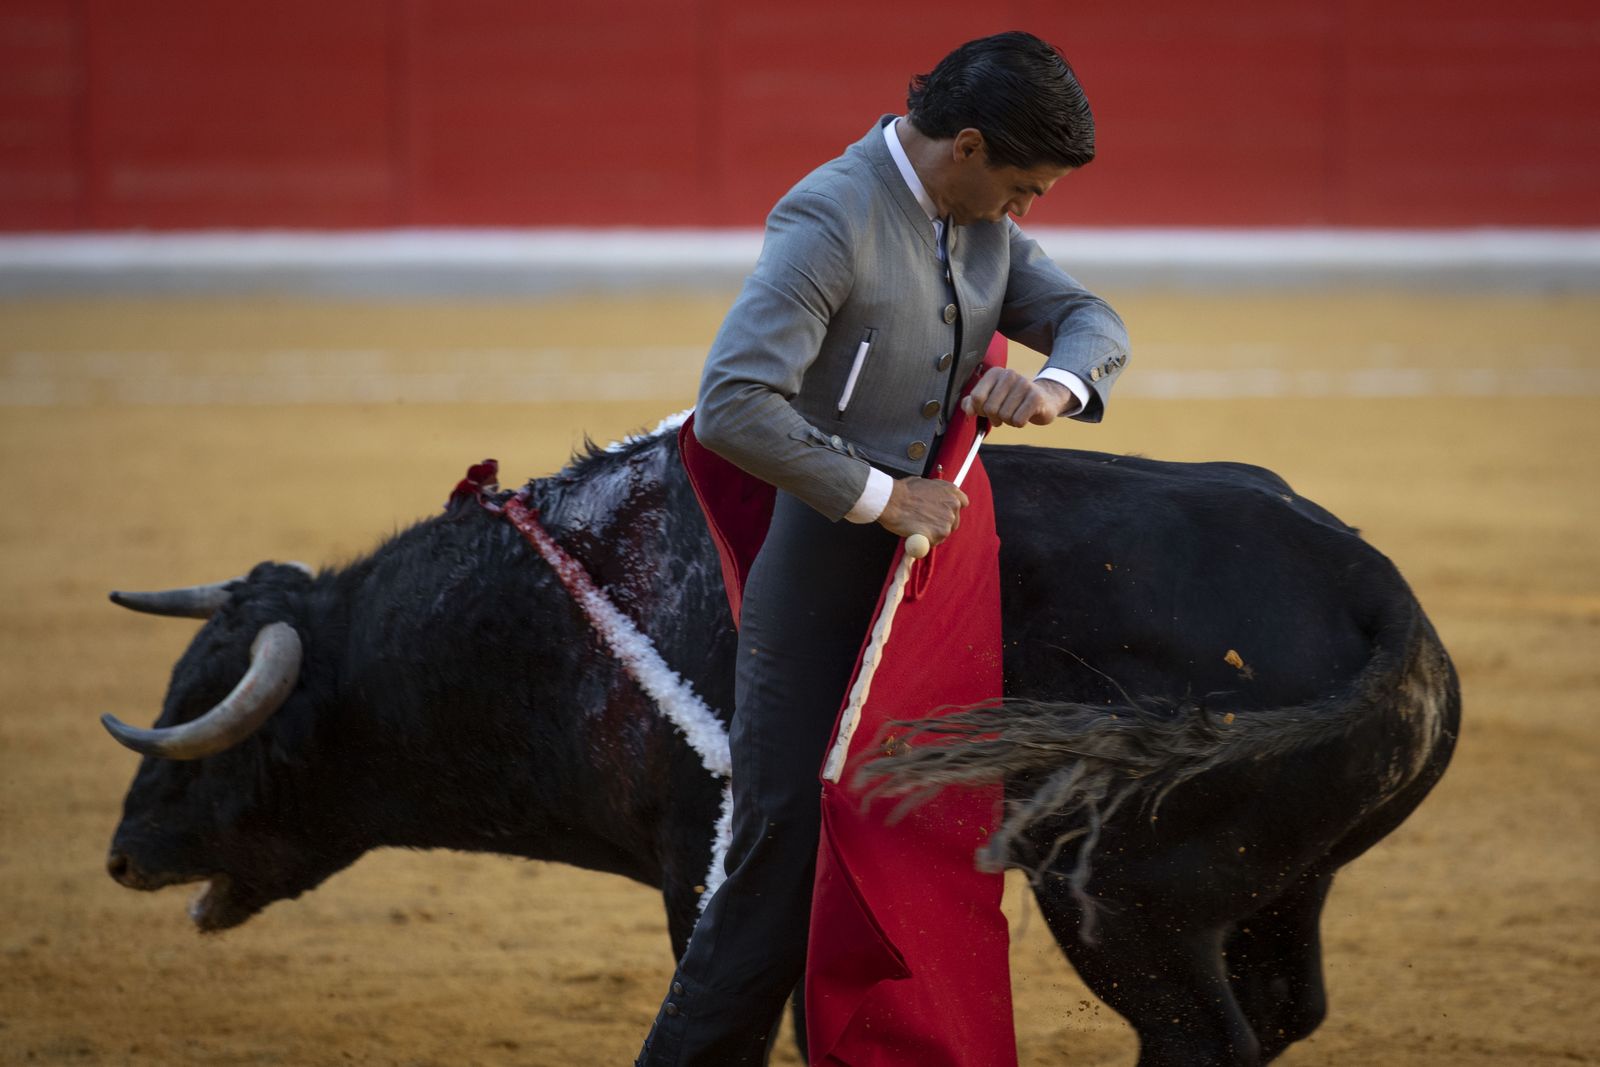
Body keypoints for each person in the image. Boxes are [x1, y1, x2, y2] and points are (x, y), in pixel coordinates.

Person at [636, 30, 1129, 1065]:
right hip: (821, 573)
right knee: (784, 856)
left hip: (931, 585)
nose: (1024, 210)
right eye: (1022, 187)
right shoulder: (831, 215)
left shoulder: (979, 217)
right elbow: (731, 405)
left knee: (906, 834)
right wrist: (879, 496)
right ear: (966, 145)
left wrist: (1052, 384)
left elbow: (1087, 318)